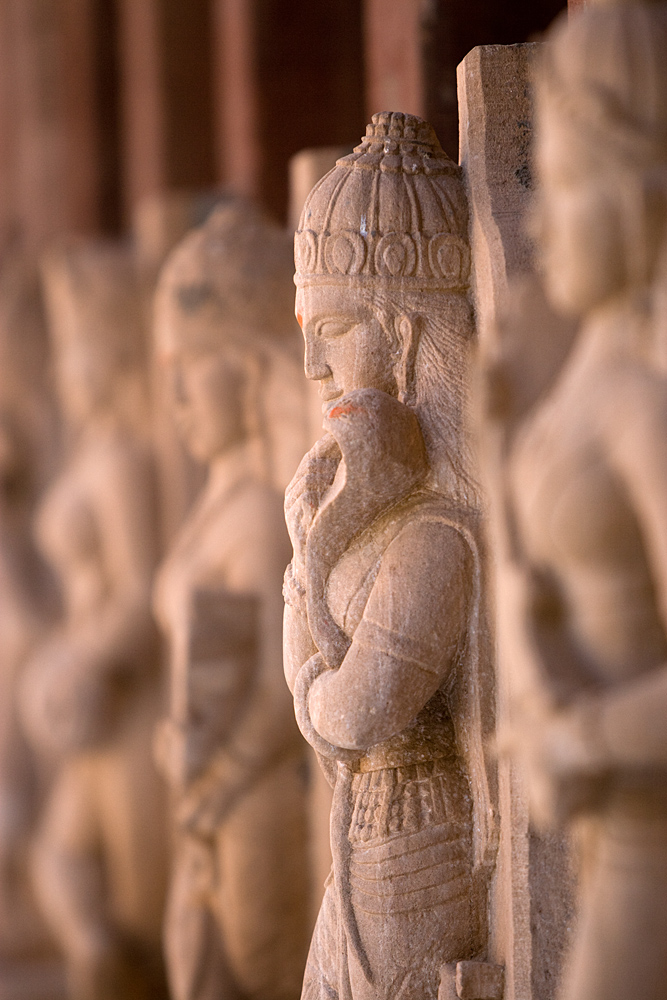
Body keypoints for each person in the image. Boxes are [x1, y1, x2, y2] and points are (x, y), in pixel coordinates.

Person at [283, 112, 497, 1000]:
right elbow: (318, 695)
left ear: (402, 335)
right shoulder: (380, 520)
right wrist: (316, 535)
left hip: (419, 846)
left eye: (330, 329)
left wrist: (321, 539)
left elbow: (352, 716)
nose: (311, 366)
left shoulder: (435, 539)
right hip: (362, 835)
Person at [485, 4, 667, 999]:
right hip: (607, 831)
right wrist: (500, 432)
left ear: (645, 198)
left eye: (561, 186)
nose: (537, 222)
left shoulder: (646, 407)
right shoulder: (587, 376)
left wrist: (581, 738)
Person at [153, 200, 312, 1000]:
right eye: (169, 370)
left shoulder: (256, 513)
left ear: (249, 370)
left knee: (254, 973)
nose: (175, 394)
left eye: (194, 366)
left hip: (250, 797)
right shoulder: (217, 503)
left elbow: (283, 684)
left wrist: (223, 772)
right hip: (207, 794)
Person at [19, 241, 169, 1000]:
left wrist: (85, 659)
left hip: (123, 692)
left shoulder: (119, 464)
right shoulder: (92, 452)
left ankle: (109, 962)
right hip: (92, 699)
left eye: (76, 355)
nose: (61, 375)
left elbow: (143, 588)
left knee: (129, 893)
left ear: (108, 360)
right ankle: (94, 955)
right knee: (61, 857)